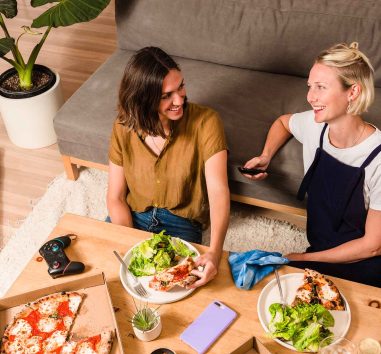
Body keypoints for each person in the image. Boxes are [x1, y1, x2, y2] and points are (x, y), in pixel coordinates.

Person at [242, 42, 381, 287]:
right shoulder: (314, 126)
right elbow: (283, 123)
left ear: (353, 92)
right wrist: (265, 156)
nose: (310, 97)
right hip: (320, 249)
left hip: (365, 265)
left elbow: (372, 246)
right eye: (310, 86)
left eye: (321, 87)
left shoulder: (377, 157)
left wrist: (303, 258)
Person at [107, 47, 230, 288]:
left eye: (181, 87)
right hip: (133, 217)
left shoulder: (207, 122)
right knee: (113, 278)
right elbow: (116, 196)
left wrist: (215, 252)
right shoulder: (123, 127)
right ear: (143, 98)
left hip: (181, 223)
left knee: (176, 289)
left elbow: (218, 193)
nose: (179, 99)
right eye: (166, 96)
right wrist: (132, 247)